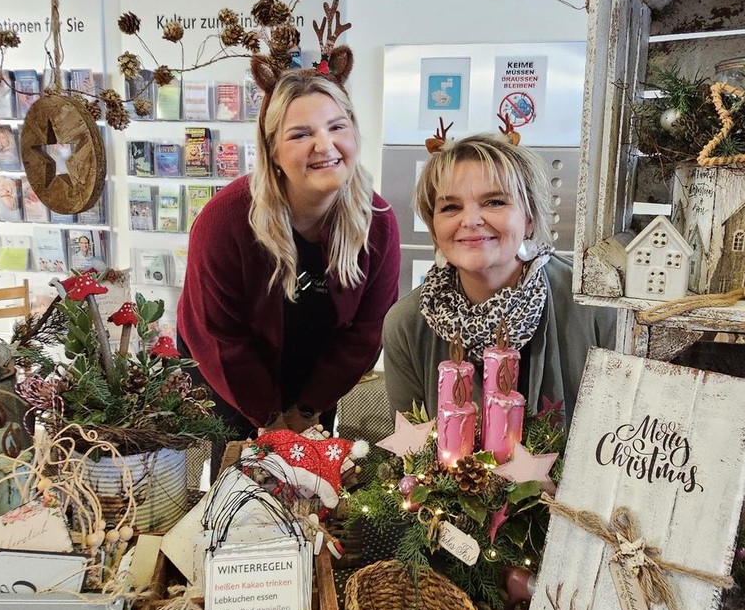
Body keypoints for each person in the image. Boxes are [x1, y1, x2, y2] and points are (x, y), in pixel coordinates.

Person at [179, 66, 400, 435]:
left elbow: (366, 331)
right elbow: (221, 338)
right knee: (239, 477)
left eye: (337, 126)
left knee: (311, 478)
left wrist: (308, 410)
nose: (325, 145)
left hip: (317, 376)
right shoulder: (225, 222)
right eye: (301, 134)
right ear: (273, 152)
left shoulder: (376, 222)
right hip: (231, 378)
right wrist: (270, 420)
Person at [383, 134, 615, 419]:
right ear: (433, 227)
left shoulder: (595, 306)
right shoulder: (407, 324)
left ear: (529, 218)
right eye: (451, 207)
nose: (470, 221)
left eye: (494, 202)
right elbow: (410, 453)